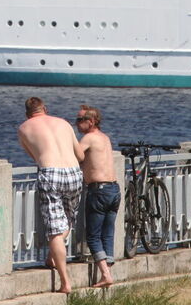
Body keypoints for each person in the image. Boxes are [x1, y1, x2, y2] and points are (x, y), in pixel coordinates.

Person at [17, 96, 84, 294]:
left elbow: (36, 157)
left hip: (51, 173)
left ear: (28, 114)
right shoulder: (63, 123)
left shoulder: (24, 128)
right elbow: (80, 155)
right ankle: (53, 255)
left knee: (55, 230)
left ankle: (65, 282)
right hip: (73, 172)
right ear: (45, 108)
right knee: (68, 220)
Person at [77, 105, 119, 287]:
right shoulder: (104, 137)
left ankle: (105, 275)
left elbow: (75, 155)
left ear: (91, 121)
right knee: (107, 234)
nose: (76, 124)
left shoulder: (89, 138)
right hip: (114, 190)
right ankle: (108, 273)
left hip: (99, 191)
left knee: (93, 236)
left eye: (79, 120)